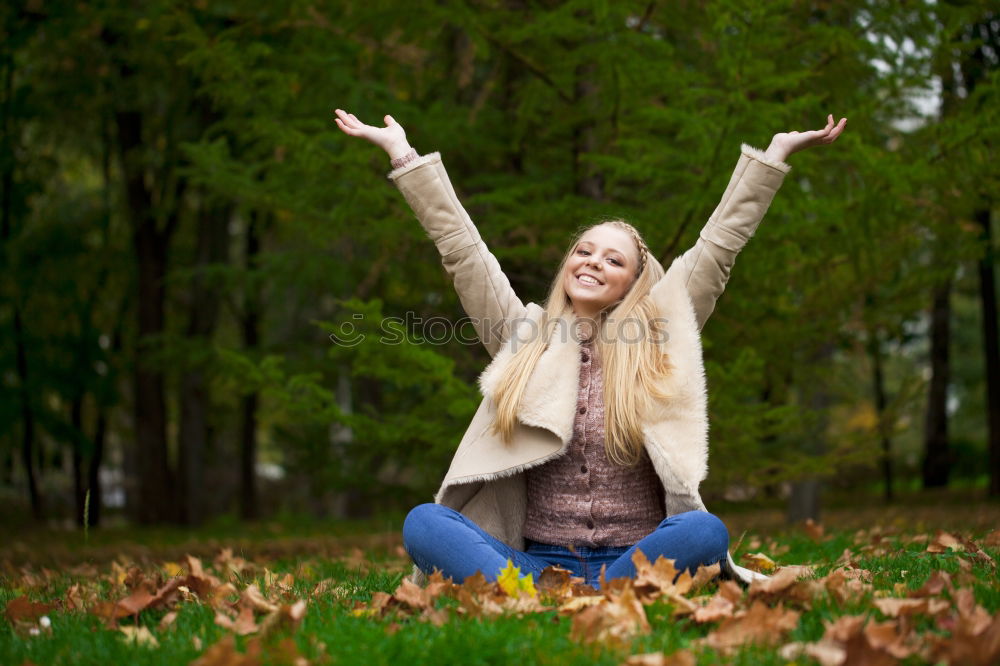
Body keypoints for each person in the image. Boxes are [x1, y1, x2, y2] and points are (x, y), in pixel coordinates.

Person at [334, 108, 846, 588]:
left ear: (633, 284)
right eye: (584, 251)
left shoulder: (659, 337)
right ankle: (542, 595)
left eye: (613, 260)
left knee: (705, 531)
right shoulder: (523, 334)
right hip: (533, 564)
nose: (594, 262)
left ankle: (590, 596)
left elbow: (719, 248)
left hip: (637, 559)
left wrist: (773, 156)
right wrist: (402, 154)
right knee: (425, 522)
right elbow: (463, 252)